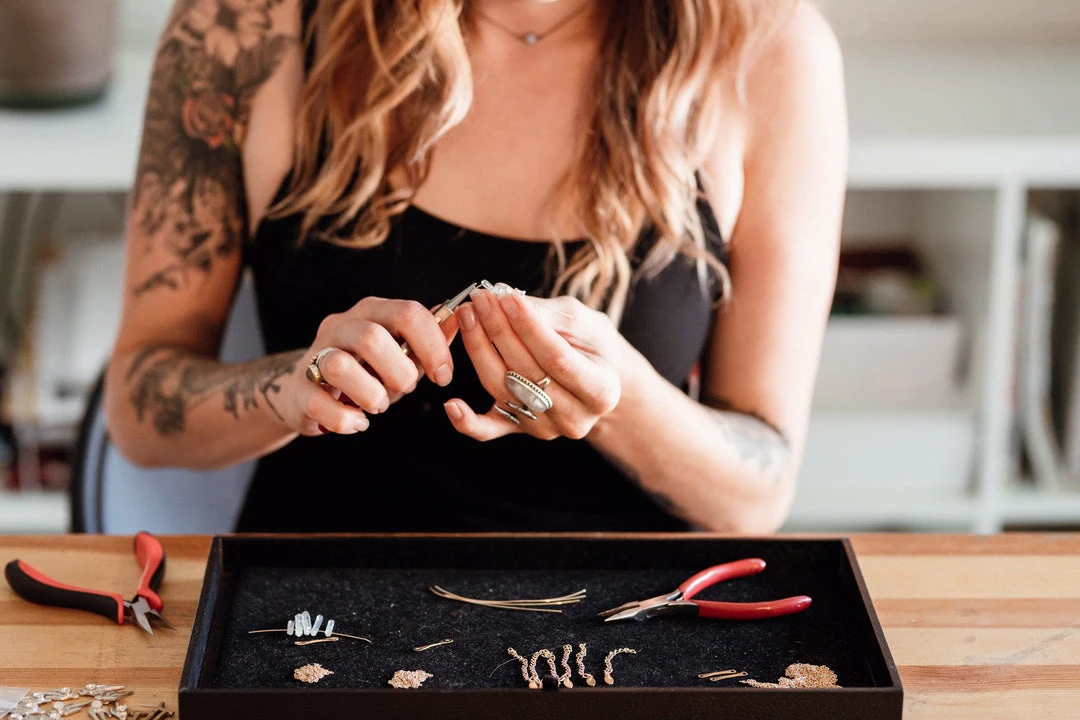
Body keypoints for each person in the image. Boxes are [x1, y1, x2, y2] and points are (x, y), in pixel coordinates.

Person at [103, 0, 847, 533]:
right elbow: (139, 411)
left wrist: (620, 400)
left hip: (629, 627)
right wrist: (287, 388)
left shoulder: (771, 50)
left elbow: (756, 496)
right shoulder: (240, 28)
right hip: (313, 608)